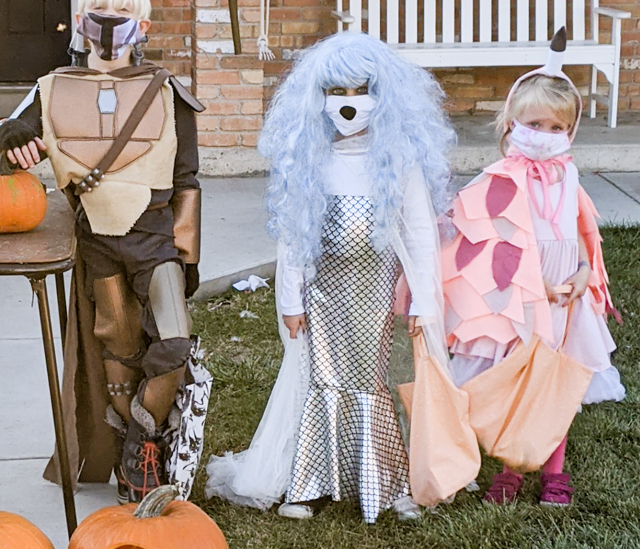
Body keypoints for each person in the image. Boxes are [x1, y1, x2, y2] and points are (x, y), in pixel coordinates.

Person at [205, 31, 455, 523]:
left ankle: (382, 480)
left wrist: (426, 301)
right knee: (322, 377)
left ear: (382, 97)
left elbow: (422, 237)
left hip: (376, 291)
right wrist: (290, 301)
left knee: (371, 377)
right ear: (316, 99)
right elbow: (293, 240)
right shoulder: (310, 161)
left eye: (359, 92)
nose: (348, 105)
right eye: (336, 93)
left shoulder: (397, 163)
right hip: (323, 292)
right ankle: (311, 481)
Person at [0, 0, 203, 502]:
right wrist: (14, 138)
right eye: (100, 15)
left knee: (174, 341)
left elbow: (187, 179)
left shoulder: (167, 93)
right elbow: (7, 137)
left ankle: (145, 435)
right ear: (78, 22)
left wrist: (188, 254)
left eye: (124, 16)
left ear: (145, 26)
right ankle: (130, 458)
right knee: (116, 346)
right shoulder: (52, 90)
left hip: (156, 239)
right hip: (99, 245)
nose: (111, 27)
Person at [442, 28, 624, 508]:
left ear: (570, 131)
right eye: (535, 124)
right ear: (512, 123)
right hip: (520, 296)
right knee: (518, 379)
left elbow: (581, 228)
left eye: (556, 128)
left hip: (567, 294)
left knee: (555, 382)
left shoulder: (570, 173)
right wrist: (532, 283)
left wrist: (585, 270)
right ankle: (511, 469)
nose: (544, 136)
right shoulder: (499, 178)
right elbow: (485, 241)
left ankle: (555, 473)